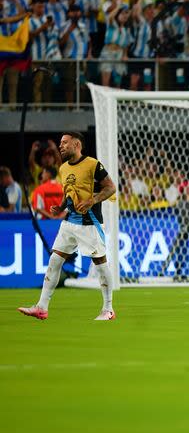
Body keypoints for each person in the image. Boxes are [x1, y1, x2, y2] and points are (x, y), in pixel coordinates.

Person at [18, 132, 117, 321]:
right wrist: (61, 207)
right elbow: (69, 192)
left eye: (64, 142)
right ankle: (41, 307)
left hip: (90, 223)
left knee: (101, 264)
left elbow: (111, 187)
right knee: (55, 260)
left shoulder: (93, 165)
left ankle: (108, 309)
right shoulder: (63, 168)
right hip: (69, 222)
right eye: (60, 143)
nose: (61, 146)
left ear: (77, 144)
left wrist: (92, 200)